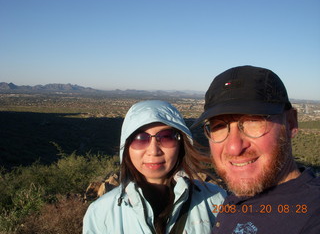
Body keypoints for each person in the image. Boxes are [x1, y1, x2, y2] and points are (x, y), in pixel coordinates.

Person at [192, 65, 320, 234]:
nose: (234, 147)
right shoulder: (240, 195)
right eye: (219, 126)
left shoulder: (312, 215)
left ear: (290, 123)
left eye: (253, 122)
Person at [83, 100, 226, 234]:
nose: (153, 151)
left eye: (166, 137)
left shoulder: (216, 200)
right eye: (140, 138)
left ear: (181, 144)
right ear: (126, 147)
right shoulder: (100, 213)